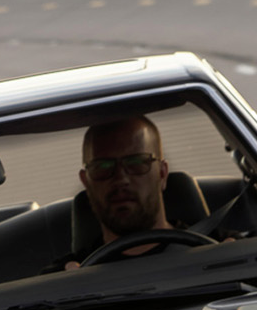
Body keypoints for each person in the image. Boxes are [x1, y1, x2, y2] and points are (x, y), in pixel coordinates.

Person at [49, 115, 177, 270]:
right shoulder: (64, 277)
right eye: (103, 167)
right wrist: (74, 284)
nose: (121, 179)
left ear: (162, 174)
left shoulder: (204, 251)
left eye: (136, 162)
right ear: (86, 182)